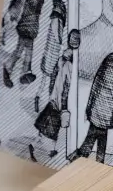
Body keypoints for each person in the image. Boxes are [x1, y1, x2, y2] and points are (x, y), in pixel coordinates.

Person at [76, 31, 113, 164]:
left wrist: (88, 108)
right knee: (102, 143)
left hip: (97, 110)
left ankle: (78, 161)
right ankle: (98, 165)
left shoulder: (108, 60)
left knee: (89, 139)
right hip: (108, 115)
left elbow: (96, 85)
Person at [30, 28, 80, 162]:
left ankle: (38, 145)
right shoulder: (71, 65)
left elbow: (53, 77)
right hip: (59, 101)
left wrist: (51, 93)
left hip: (53, 97)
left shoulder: (61, 58)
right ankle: (42, 147)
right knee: (53, 128)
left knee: (46, 126)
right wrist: (64, 106)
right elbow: (66, 87)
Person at [6, 0, 52, 88]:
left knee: (26, 49)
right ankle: (9, 69)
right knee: (21, 48)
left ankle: (23, 71)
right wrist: (29, 21)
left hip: (30, 22)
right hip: (28, 22)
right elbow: (32, 5)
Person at [35, 0, 68, 113]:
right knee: (50, 77)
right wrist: (60, 41)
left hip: (53, 45)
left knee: (46, 77)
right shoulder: (58, 7)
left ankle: (38, 97)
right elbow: (55, 25)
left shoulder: (58, 5)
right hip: (53, 46)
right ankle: (44, 100)